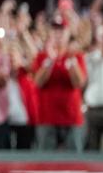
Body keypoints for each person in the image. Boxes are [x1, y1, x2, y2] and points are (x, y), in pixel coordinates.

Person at [33, 16, 87, 151]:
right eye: (55, 31)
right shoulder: (42, 57)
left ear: (68, 33)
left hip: (71, 116)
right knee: (45, 164)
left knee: (74, 164)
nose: (58, 35)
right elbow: (38, 82)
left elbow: (79, 83)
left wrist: (71, 61)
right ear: (50, 33)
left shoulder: (76, 56)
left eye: (61, 31)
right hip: (47, 117)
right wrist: (50, 61)